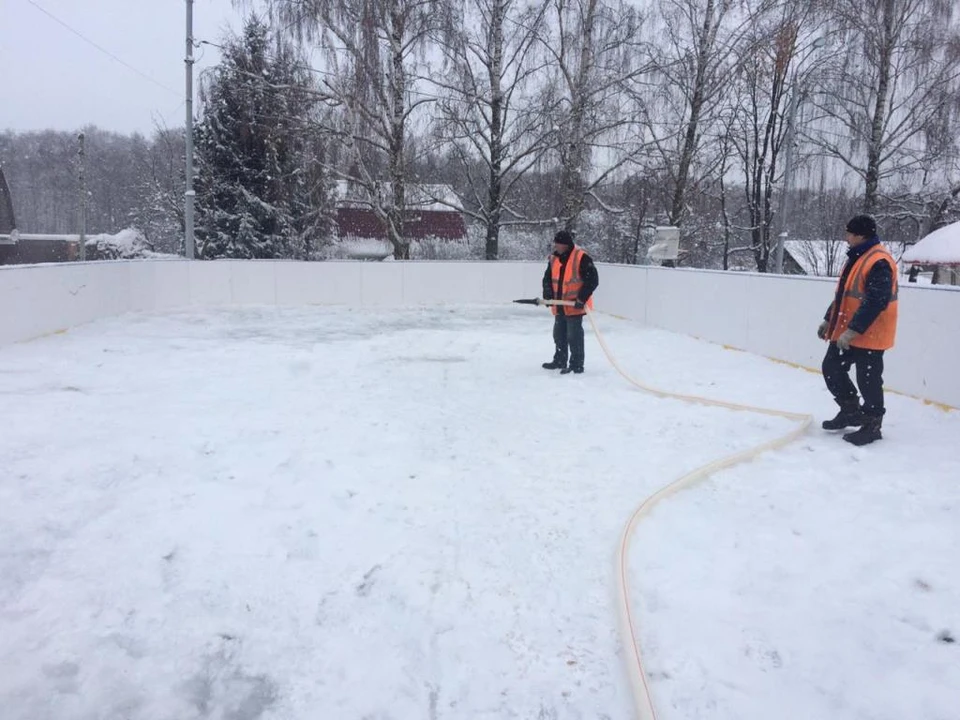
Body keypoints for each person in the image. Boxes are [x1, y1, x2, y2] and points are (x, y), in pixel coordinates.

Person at [818, 214, 898, 446]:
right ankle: (850, 410)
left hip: (871, 333)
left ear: (860, 235)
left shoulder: (879, 261)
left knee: (869, 379)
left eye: (849, 233)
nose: (846, 237)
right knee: (832, 367)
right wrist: (827, 320)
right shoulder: (858, 256)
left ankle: (872, 425)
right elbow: (845, 294)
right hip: (848, 331)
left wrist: (853, 330)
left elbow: (876, 300)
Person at [541, 230, 599, 374]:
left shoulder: (581, 258)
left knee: (574, 336)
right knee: (558, 335)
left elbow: (593, 280)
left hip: (574, 306)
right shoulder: (554, 258)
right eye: (556, 244)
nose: (557, 246)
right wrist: (548, 294)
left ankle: (576, 365)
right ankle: (560, 360)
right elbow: (547, 278)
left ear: (566, 244)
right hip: (559, 305)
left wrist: (581, 298)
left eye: (559, 244)